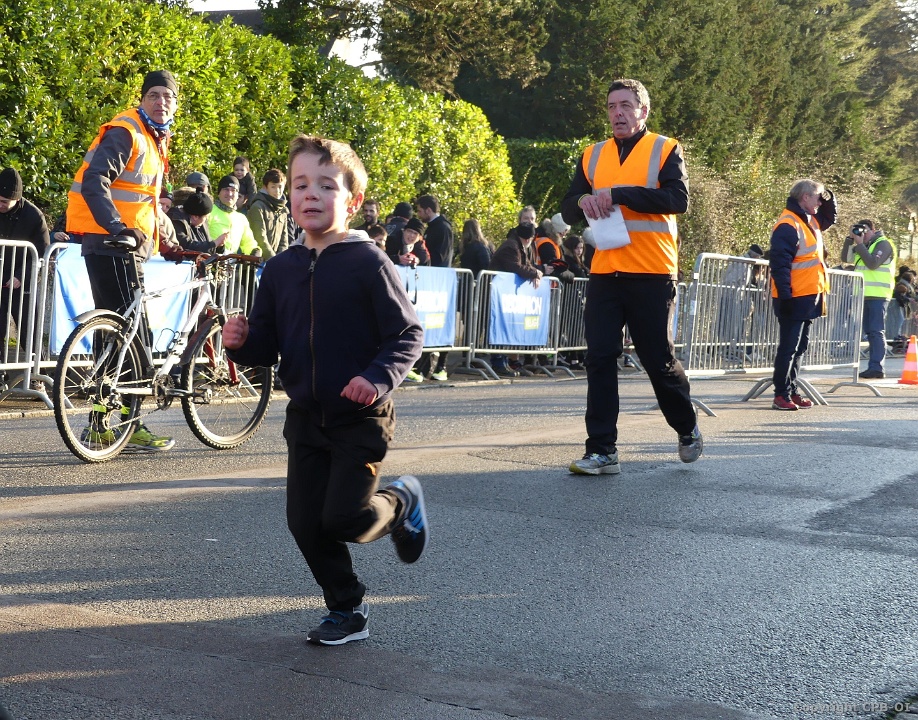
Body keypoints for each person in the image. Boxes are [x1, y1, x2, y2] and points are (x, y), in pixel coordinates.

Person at [221, 134, 428, 646]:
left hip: (361, 417)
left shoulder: (369, 262)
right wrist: (241, 343)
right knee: (304, 523)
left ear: (352, 202)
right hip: (306, 418)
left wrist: (375, 378)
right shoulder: (281, 269)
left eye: (326, 185)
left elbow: (407, 334)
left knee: (345, 519)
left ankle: (401, 500)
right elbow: (266, 346)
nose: (310, 193)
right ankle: (346, 607)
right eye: (300, 184)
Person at [560, 78, 701, 475]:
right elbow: (568, 206)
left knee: (658, 360)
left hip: (652, 272)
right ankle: (602, 450)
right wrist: (583, 200)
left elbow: (678, 200)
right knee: (599, 357)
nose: (617, 113)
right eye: (611, 106)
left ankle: (686, 426)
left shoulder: (665, 148)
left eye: (625, 105)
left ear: (643, 111)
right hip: (606, 271)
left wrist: (621, 193)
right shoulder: (592, 154)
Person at [66, 69, 181, 452]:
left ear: (175, 104)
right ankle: (127, 425)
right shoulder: (127, 131)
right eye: (154, 95)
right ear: (142, 99)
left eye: (168, 96)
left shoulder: (153, 138)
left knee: (116, 336)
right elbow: (95, 180)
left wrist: (170, 244)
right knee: (132, 337)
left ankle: (104, 426)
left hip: (122, 245)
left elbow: (145, 201)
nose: (161, 101)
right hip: (113, 243)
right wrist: (117, 227)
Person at [768, 178, 837, 410]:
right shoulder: (788, 224)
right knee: (789, 348)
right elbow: (780, 264)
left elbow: (829, 218)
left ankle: (791, 390)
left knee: (799, 348)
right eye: (817, 197)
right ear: (805, 197)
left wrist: (829, 199)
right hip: (794, 295)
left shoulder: (809, 220)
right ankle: (781, 394)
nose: (820, 202)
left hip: (808, 294)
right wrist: (785, 295)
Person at [0, 167, 50, 360]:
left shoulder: (34, 216)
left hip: (20, 280)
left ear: (17, 199)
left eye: (4, 202)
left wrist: (21, 276)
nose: (0, 205)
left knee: (29, 331)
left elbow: (41, 252)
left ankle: (39, 370)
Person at [841, 219, 896, 379]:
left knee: (876, 331)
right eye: (859, 231)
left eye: (864, 231)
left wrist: (859, 244)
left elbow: (873, 263)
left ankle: (876, 368)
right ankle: (873, 367)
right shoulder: (863, 246)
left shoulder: (883, 244)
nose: (862, 234)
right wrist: (850, 239)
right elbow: (846, 258)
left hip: (879, 294)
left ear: (873, 230)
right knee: (869, 332)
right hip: (864, 295)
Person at [487, 221, 542, 377]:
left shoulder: (518, 245)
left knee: (507, 327)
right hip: (496, 295)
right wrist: (535, 273)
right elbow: (515, 267)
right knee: (499, 326)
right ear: (529, 238)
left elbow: (527, 264)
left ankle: (507, 362)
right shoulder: (511, 247)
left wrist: (534, 272)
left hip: (504, 295)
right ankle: (498, 362)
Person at [207, 174, 259, 255]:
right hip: (209, 259)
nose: (230, 193)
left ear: (238, 195)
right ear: (219, 193)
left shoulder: (241, 218)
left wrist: (255, 251)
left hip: (232, 261)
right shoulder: (209, 211)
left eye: (233, 190)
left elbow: (248, 243)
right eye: (226, 189)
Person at [247, 168, 290, 260]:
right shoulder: (257, 207)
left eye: (280, 187)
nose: (277, 191)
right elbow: (260, 238)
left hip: (275, 262)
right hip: (258, 261)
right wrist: (273, 260)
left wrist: (280, 260)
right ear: (265, 187)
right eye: (273, 187)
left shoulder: (283, 210)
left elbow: (284, 241)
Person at [417, 194, 454, 268]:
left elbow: (440, 255)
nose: (418, 214)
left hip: (438, 271)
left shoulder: (443, 228)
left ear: (428, 210)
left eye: (420, 211)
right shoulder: (432, 227)